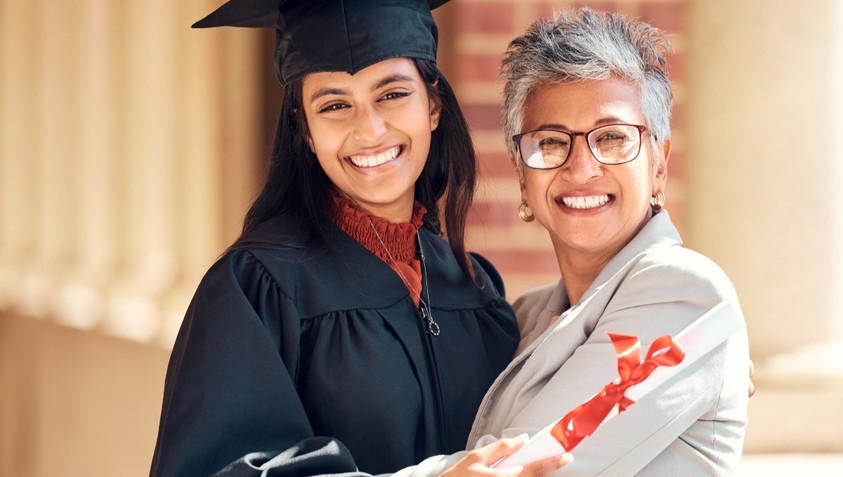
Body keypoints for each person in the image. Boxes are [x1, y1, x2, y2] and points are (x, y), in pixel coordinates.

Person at [149, 1, 569, 476]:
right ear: (304, 130)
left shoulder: (472, 286)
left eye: (391, 94)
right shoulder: (256, 291)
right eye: (334, 105)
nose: (368, 130)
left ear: (433, 104)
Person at [403, 8, 750, 477]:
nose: (581, 169)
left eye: (612, 138)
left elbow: (529, 466)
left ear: (659, 164)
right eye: (549, 142)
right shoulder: (523, 318)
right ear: (522, 176)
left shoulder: (687, 295)